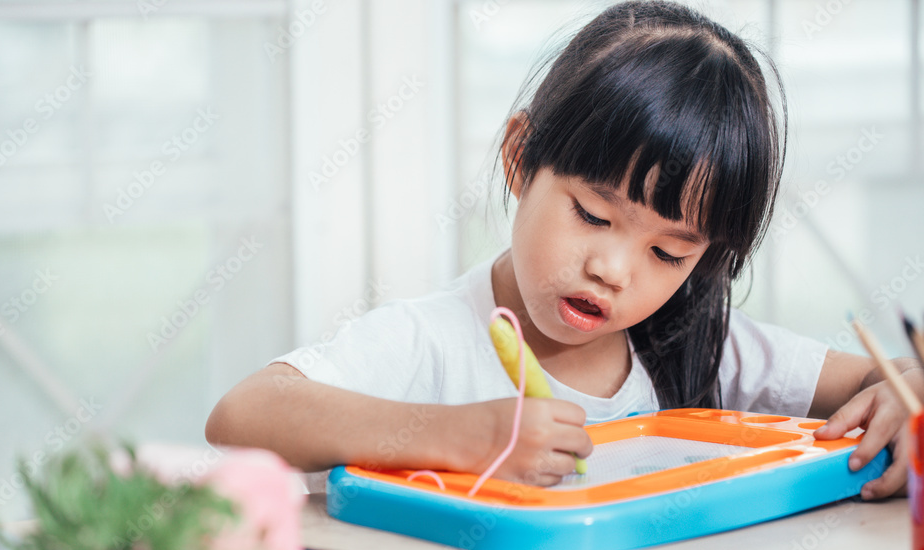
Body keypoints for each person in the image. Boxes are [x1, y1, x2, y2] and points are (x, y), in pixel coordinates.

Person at [206, 1, 922, 498]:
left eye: (669, 255)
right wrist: (456, 436)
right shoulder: (432, 340)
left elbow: (893, 378)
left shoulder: (699, 344)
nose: (613, 269)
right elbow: (244, 414)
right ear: (520, 158)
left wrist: (902, 398)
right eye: (592, 214)